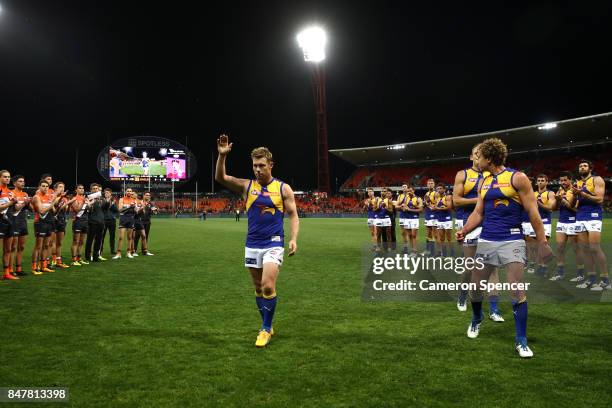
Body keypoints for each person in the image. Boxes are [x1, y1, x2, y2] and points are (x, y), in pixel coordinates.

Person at [457, 138, 552, 358]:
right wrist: (465, 229)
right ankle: (476, 318)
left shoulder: (517, 178)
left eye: (478, 157)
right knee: (476, 287)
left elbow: (533, 212)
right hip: (487, 240)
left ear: (488, 158)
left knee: (516, 289)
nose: (476, 160)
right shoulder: (484, 182)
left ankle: (521, 341)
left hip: (512, 240)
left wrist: (543, 242)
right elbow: (478, 213)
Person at [215, 134, 299, 348]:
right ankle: (268, 323)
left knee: (268, 285)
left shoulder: (283, 188)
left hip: (274, 242)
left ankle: (265, 329)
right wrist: (222, 156)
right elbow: (221, 178)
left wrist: (294, 239)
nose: (258, 169)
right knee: (258, 288)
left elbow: (293, 215)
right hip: (252, 243)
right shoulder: (246, 186)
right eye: (254, 165)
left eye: (262, 165)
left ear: (271, 164)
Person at [452, 145, 503, 320]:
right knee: (470, 268)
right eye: (476, 154)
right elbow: (456, 200)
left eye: (482, 154)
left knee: (493, 268)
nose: (479, 157)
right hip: (468, 223)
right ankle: (462, 294)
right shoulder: (463, 174)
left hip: (490, 223)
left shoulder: (493, 175)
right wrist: (481, 198)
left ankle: (494, 309)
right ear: (471, 156)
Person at [571, 159, 609, 290]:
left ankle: (605, 280)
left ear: (590, 168)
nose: (582, 167)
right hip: (580, 216)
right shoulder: (577, 183)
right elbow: (575, 205)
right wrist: (574, 197)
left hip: (593, 216)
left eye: (585, 165)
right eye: (580, 166)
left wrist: (581, 193)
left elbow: (599, 199)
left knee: (594, 248)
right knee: (585, 249)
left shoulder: (597, 179)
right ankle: (591, 279)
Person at [550, 171, 582, 281]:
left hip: (573, 221)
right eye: (561, 180)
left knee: (576, 249)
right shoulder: (560, 190)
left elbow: (575, 208)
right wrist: (556, 200)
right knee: (559, 248)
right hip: (561, 221)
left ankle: (580, 274)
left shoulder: (575, 190)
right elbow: (553, 208)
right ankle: (560, 273)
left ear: (570, 180)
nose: (563, 182)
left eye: (565, 180)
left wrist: (562, 200)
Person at [31, 179, 61, 275]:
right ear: (39, 187)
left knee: (46, 245)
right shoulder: (37, 197)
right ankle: (35, 267)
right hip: (40, 223)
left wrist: (58, 205)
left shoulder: (49, 197)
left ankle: (43, 266)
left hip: (49, 222)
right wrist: (52, 203)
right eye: (43, 186)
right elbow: (41, 211)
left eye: (47, 186)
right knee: (38, 246)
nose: (45, 188)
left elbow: (53, 211)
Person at [9, 175, 31, 277]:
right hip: (14, 222)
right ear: (14, 183)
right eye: (20, 181)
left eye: (23, 181)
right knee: (13, 247)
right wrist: (24, 203)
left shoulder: (25, 194)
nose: (23, 183)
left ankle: (18, 268)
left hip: (23, 222)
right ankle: (10, 269)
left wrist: (30, 202)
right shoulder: (12, 193)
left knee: (21, 247)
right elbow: (14, 210)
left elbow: (31, 208)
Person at [533, 174, 555, 276]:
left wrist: (538, 202)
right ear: (536, 182)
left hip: (545, 221)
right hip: (535, 222)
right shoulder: (533, 193)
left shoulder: (550, 193)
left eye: (543, 180)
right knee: (539, 246)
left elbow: (550, 207)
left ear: (546, 182)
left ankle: (544, 267)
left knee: (543, 244)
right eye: (539, 180)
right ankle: (542, 267)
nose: (540, 182)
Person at [52, 182, 75, 269]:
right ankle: (53, 260)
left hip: (61, 221)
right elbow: (54, 204)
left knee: (59, 242)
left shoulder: (64, 199)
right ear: (55, 188)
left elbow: (66, 210)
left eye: (63, 187)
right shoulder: (53, 196)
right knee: (52, 242)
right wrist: (61, 197)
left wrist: (69, 204)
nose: (62, 188)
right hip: (54, 220)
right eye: (60, 187)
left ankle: (59, 261)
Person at [0, 170, 18, 280]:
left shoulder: (10, 192)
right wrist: (11, 203)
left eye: (9, 177)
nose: (7, 179)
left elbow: (14, 209)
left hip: (9, 222)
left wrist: (21, 203)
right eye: (5, 177)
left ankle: (6, 273)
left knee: (8, 249)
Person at [85, 183, 106, 262]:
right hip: (92, 222)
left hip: (101, 222)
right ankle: (87, 256)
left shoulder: (101, 199)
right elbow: (87, 209)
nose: (95, 190)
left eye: (96, 188)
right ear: (91, 190)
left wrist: (106, 200)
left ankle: (96, 256)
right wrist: (91, 203)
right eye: (93, 188)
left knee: (99, 240)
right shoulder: (88, 198)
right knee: (90, 240)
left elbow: (105, 208)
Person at [113, 188, 137, 259]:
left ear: (131, 192)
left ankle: (128, 252)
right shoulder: (121, 199)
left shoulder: (134, 200)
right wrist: (129, 206)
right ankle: (118, 253)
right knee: (121, 237)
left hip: (130, 219)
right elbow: (120, 209)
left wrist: (135, 207)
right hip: (123, 219)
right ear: (125, 192)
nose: (129, 192)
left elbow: (136, 211)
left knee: (130, 237)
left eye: (130, 191)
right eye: (128, 191)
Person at [70, 185, 90, 266]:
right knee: (76, 241)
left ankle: (79, 258)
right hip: (77, 221)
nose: (82, 189)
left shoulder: (85, 198)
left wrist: (89, 204)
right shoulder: (74, 198)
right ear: (76, 190)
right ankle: (74, 259)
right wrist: (83, 202)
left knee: (82, 242)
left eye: (83, 188)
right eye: (80, 188)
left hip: (85, 221)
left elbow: (89, 209)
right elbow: (77, 209)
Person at [433, 183, 453, 257]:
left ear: (444, 189)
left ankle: (451, 253)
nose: (439, 190)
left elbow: (449, 207)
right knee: (441, 238)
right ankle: (443, 253)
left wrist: (438, 208)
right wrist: (433, 207)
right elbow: (435, 207)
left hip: (447, 219)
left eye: (440, 188)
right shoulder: (437, 198)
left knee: (449, 238)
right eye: (438, 189)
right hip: (439, 219)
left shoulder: (447, 197)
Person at [101, 188, 118, 257]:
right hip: (104, 220)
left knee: (112, 236)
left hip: (112, 220)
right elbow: (103, 208)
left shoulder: (113, 201)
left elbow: (116, 210)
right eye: (105, 193)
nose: (106, 194)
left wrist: (113, 204)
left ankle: (112, 250)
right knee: (102, 236)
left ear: (111, 193)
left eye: (108, 192)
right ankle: (100, 249)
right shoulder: (102, 200)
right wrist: (109, 203)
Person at [423, 178, 437, 255]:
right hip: (427, 215)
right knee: (428, 233)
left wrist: (429, 203)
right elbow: (425, 205)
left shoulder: (436, 193)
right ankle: (428, 250)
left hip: (434, 215)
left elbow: (437, 205)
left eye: (431, 183)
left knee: (434, 234)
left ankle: (433, 251)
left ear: (434, 184)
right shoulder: (426, 194)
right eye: (429, 183)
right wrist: (425, 203)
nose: (430, 185)